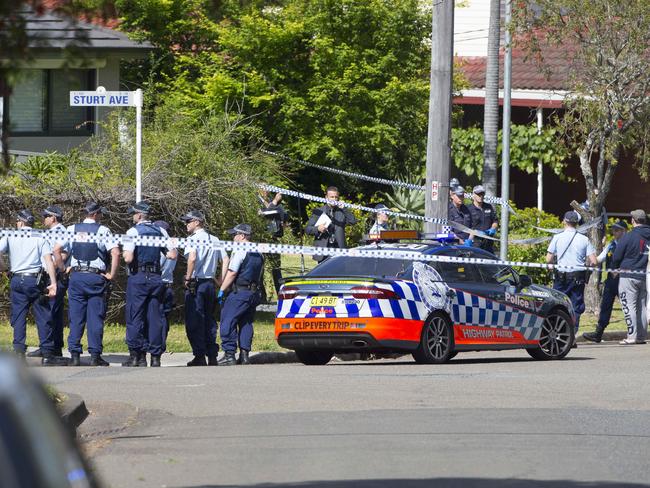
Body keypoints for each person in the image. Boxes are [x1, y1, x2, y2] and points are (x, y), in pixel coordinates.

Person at [53, 202, 120, 367]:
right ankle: (95, 355)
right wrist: (112, 274)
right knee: (95, 317)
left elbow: (56, 250)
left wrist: (63, 269)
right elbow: (116, 252)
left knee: (76, 317)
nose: (101, 216)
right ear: (95, 214)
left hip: (76, 276)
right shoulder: (103, 230)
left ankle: (75, 355)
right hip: (95, 277)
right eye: (100, 214)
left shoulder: (71, 229)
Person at [0, 210, 62, 365]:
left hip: (16, 279)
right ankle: (47, 353)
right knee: (43, 315)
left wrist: (4, 269)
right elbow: (48, 261)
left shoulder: (11, 235)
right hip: (35, 280)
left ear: (20, 222)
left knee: (19, 316)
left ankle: (19, 352)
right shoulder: (39, 236)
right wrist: (53, 283)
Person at [122, 202, 177, 367]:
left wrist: (126, 252)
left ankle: (136, 356)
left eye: (133, 214)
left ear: (139, 216)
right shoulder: (160, 231)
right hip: (155, 278)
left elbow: (128, 258)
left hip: (138, 277)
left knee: (135, 316)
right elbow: (172, 255)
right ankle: (155, 357)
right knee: (155, 317)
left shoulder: (133, 231)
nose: (132, 216)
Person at [182, 210, 229, 366]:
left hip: (196, 283)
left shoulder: (192, 239)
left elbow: (192, 258)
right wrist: (221, 280)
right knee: (209, 320)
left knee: (195, 320)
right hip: (209, 284)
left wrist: (188, 277)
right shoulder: (214, 239)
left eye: (188, 221)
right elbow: (226, 259)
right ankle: (212, 355)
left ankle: (200, 355)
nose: (186, 224)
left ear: (197, 222)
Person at [218, 224, 264, 366]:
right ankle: (244, 356)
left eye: (235, 235)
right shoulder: (259, 251)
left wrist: (222, 289)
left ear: (242, 236)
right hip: (253, 292)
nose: (233, 238)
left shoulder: (240, 250)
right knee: (246, 323)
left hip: (240, 291)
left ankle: (229, 354)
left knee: (228, 320)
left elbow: (232, 272)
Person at [546, 211, 597, 338]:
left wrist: (552, 266)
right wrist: (588, 268)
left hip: (561, 277)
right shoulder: (584, 239)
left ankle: (558, 333)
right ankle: (572, 336)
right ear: (577, 224)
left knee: (558, 304)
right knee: (576, 306)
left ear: (564, 221)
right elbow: (594, 261)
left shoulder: (557, 237)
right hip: (577, 277)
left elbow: (548, 259)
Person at [27, 205, 67, 358]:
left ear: (53, 218)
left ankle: (52, 348)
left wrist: (53, 272)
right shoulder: (50, 232)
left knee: (51, 312)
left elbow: (62, 255)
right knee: (47, 313)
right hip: (46, 275)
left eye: (45, 216)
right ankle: (48, 346)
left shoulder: (62, 232)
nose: (43, 219)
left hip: (54, 276)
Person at [583, 220, 628, 343]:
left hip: (624, 280)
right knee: (605, 306)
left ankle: (633, 331)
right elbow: (599, 259)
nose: (614, 232)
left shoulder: (628, 244)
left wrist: (619, 270)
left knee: (628, 307)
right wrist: (590, 261)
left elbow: (631, 262)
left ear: (624, 231)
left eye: (617, 230)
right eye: (613, 230)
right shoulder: (611, 244)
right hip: (610, 281)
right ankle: (598, 333)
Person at [610, 209, 650, 345]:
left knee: (629, 305)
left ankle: (632, 336)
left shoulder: (629, 236)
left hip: (628, 275)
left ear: (633, 220)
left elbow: (616, 256)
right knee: (642, 306)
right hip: (645, 274)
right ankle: (641, 336)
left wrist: (615, 268)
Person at [305, 186, 357, 262]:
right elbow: (307, 229)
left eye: (336, 197)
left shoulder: (342, 211)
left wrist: (344, 209)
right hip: (323, 251)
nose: (334, 199)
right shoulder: (318, 211)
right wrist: (318, 228)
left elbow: (353, 221)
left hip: (339, 250)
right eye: (331, 197)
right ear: (326, 197)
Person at [258, 191, 288, 297]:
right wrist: (274, 202)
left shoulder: (272, 202)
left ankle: (281, 295)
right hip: (261, 239)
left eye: (267, 189)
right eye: (263, 188)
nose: (265, 191)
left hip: (274, 239)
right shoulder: (255, 202)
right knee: (259, 268)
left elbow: (283, 215)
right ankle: (261, 296)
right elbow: (262, 214)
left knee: (276, 268)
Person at [154, 220, 176, 350]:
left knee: (156, 318)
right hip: (168, 285)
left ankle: (157, 346)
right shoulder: (173, 247)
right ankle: (161, 344)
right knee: (164, 319)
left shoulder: (161, 247)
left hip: (159, 284)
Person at [468, 185, 498, 253]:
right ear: (473, 195)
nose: (481, 196)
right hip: (475, 243)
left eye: (482, 194)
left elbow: (495, 221)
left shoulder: (488, 207)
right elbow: (465, 226)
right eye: (478, 194)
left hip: (488, 243)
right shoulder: (468, 209)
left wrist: (493, 228)